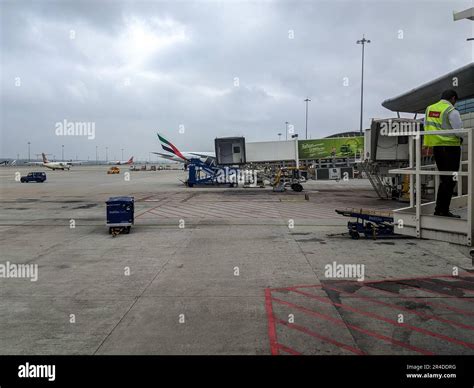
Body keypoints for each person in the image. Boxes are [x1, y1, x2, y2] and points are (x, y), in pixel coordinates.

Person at [423, 89, 464, 218]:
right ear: (453, 98)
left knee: (445, 179)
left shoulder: (430, 109)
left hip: (437, 148)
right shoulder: (451, 110)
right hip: (450, 148)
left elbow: (426, 126)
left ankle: (440, 209)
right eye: (454, 101)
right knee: (450, 180)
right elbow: (459, 131)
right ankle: (442, 210)